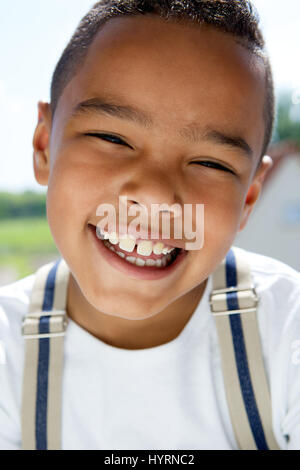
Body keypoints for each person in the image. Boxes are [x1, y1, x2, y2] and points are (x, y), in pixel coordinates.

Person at [0, 0, 299, 450]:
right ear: (44, 145)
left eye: (210, 163)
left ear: (249, 199)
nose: (156, 197)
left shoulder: (285, 332)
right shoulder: (8, 351)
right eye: (112, 138)